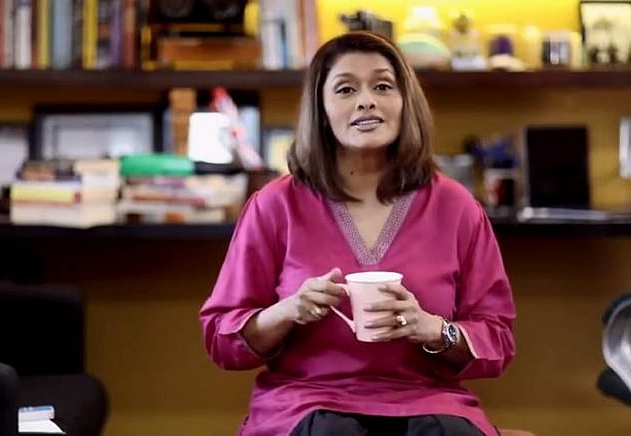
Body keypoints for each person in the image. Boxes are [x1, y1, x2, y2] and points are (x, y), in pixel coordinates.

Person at [199, 31, 516, 436]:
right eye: (346, 89)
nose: (366, 100)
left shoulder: (456, 206)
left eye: (382, 86)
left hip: (428, 400)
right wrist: (289, 311)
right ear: (321, 110)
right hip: (308, 401)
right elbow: (221, 339)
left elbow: (498, 340)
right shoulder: (275, 205)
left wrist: (434, 329)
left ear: (405, 103)